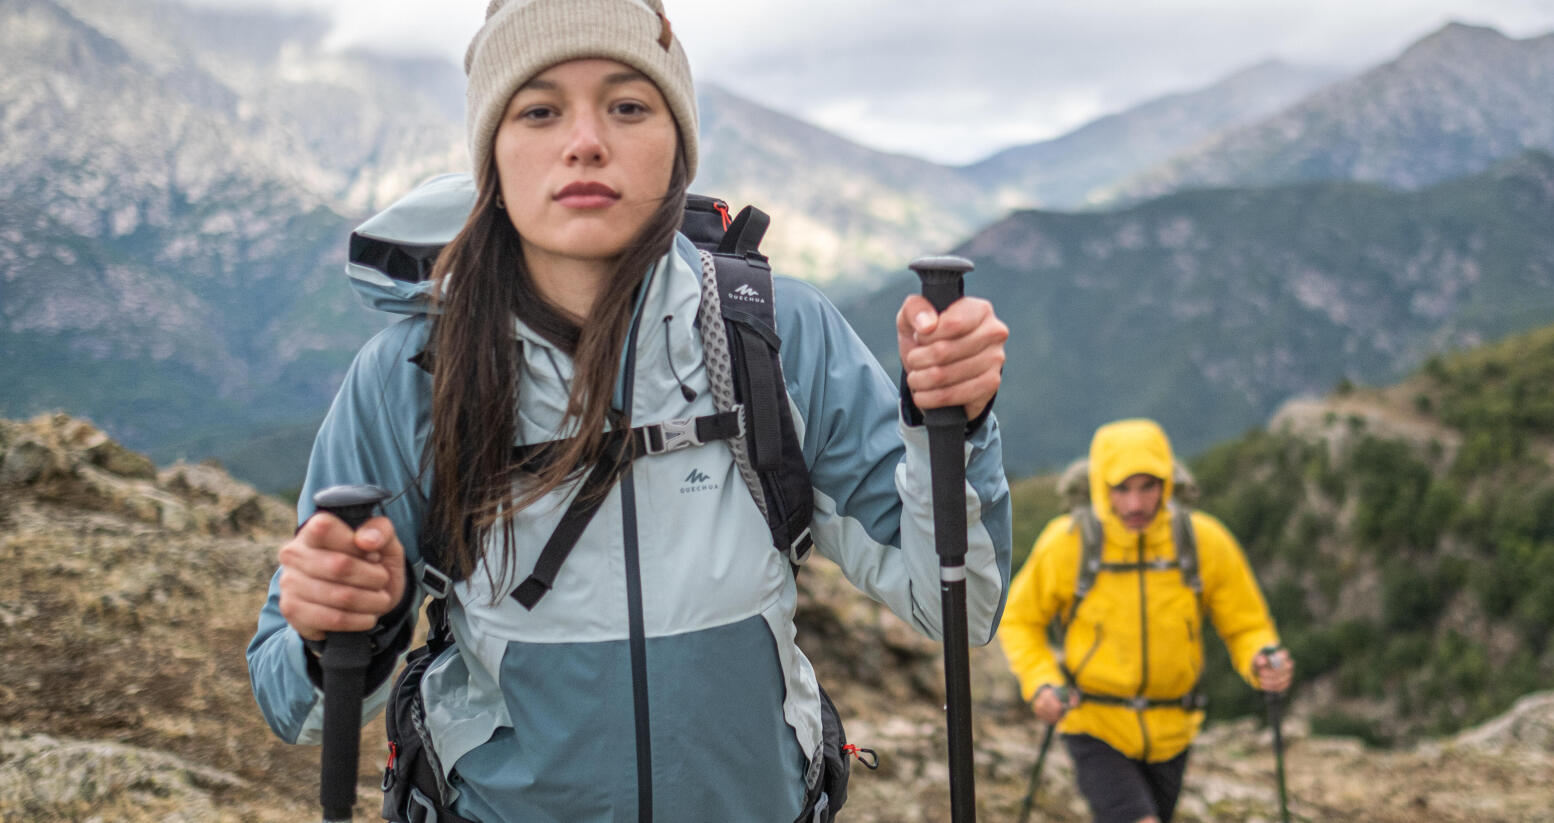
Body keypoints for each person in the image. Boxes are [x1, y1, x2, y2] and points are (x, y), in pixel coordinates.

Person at [244, 1, 1012, 820]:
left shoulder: (777, 337)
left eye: (629, 106)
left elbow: (958, 602)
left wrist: (949, 426)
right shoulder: (414, 375)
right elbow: (293, 704)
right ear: (491, 156)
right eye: (538, 110)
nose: (585, 141)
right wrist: (339, 626)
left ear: (678, 146)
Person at [1000, 419, 1292, 823]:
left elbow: (1245, 625)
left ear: (1168, 483)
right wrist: (1041, 683)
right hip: (1093, 723)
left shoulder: (1203, 542)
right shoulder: (1067, 543)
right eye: (1122, 489)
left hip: (1174, 730)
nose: (1135, 505)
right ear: (1101, 486)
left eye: (1148, 486)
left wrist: (1261, 658)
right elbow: (1018, 619)